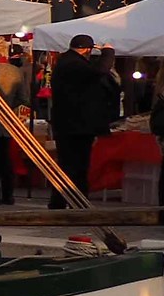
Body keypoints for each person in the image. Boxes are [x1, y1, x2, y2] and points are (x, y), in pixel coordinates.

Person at [48, 33, 118, 206]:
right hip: (76, 124)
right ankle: (75, 201)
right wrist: (108, 52)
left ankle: (65, 200)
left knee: (71, 164)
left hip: (71, 123)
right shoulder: (73, 64)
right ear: (87, 49)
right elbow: (99, 71)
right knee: (75, 165)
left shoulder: (66, 62)